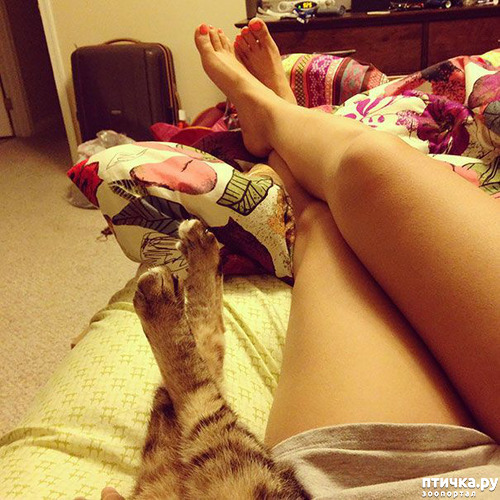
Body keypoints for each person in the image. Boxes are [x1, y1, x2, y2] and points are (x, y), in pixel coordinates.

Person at [98, 20, 500, 499]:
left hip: (405, 482)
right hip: (465, 482)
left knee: (323, 220)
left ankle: (273, 117)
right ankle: (278, 112)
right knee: (369, 173)